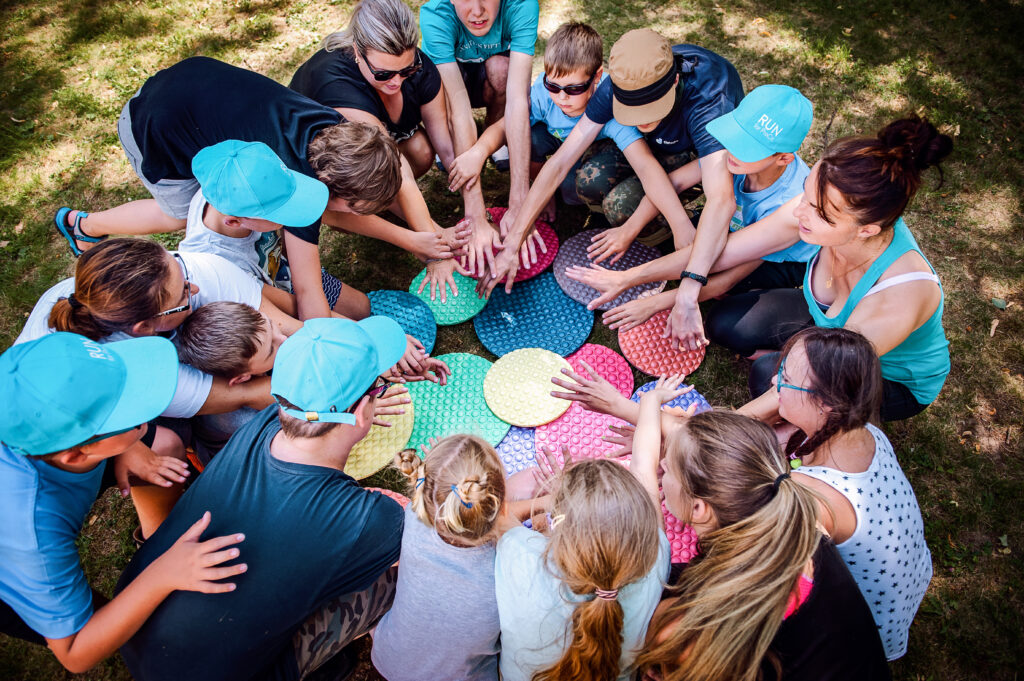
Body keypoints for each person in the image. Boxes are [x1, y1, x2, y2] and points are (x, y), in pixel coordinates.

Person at [117, 316, 407, 681]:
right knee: (399, 572)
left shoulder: (264, 422)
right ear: (364, 410)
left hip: (136, 631)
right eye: (378, 388)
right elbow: (398, 531)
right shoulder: (371, 521)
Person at [51, 56, 426, 320]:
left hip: (199, 87)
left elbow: (331, 215)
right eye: (359, 207)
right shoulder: (291, 185)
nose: (362, 215)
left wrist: (414, 239)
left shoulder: (336, 133)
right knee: (178, 215)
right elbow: (309, 290)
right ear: (329, 189)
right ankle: (84, 226)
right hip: (155, 123)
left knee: (215, 207)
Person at [0, 333, 247, 673]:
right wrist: (160, 577)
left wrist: (129, 445)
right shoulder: (33, 534)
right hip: (11, 564)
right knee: (103, 622)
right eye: (129, 414)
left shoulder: (28, 393)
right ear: (76, 454)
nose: (148, 404)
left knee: (162, 448)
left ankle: (159, 543)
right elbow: (75, 654)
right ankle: (148, 635)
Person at [481, 29, 743, 312]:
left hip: (696, 153)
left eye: (649, 110)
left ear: (675, 82)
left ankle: (677, 231)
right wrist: (512, 245)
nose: (640, 120)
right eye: (633, 112)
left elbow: (721, 198)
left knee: (625, 207)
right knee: (591, 181)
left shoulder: (710, 104)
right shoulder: (614, 87)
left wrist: (684, 234)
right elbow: (559, 164)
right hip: (646, 150)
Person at [630, 407, 891, 681]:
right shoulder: (794, 518)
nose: (662, 469)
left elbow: (656, 596)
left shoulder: (688, 626)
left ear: (698, 509)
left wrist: (644, 471)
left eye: (667, 468)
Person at [728, 116, 953, 421]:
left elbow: (815, 377)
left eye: (818, 212)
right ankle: (788, 359)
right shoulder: (830, 204)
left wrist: (710, 431)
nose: (798, 212)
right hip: (828, 328)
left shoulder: (900, 297)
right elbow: (730, 251)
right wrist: (655, 285)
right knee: (729, 323)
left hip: (887, 376)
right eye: (806, 196)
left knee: (768, 377)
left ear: (867, 231)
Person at [565, 84, 816, 331]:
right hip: (736, 229)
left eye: (747, 148)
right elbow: (673, 183)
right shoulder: (734, 157)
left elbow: (725, 275)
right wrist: (629, 229)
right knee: (696, 251)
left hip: (777, 261)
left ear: (783, 158)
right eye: (735, 137)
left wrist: (650, 300)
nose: (733, 150)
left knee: (719, 284)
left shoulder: (791, 207)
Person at [760, 326, 932, 660]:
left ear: (824, 404)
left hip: (865, 629)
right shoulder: (863, 430)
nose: (773, 382)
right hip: (909, 582)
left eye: (784, 376)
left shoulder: (810, 498)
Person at [290, 0, 473, 302]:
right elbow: (398, 174)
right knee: (373, 186)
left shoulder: (419, 68)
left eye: (407, 69)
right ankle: (366, 212)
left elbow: (447, 149)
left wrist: (473, 215)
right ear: (357, 53)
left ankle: (399, 216)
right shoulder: (337, 85)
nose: (398, 81)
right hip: (320, 168)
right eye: (384, 74)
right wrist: (435, 250)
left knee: (422, 150)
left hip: (374, 151)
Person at [16, 238, 299, 420]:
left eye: (181, 271)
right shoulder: (128, 370)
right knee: (247, 422)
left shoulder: (130, 285)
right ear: (144, 328)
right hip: (67, 417)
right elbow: (247, 394)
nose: (195, 287)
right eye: (183, 296)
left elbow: (290, 324)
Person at [446, 22, 643, 229]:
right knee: (524, 135)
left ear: (597, 76)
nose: (562, 97)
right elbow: (506, 126)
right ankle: (546, 193)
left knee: (572, 190)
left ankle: (589, 207)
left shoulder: (610, 104)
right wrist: (478, 152)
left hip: (595, 150)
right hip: (560, 142)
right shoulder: (543, 95)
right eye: (553, 86)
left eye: (574, 88)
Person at [495, 457, 669, 681]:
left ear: (558, 526)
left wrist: (549, 500)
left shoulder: (524, 557)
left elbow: (500, 518)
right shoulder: (658, 557)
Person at [371, 437, 514, 680]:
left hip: (389, 661)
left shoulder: (415, 519)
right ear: (501, 507)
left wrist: (441, 471)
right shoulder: (506, 569)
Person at [179, 139, 371, 318]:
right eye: (280, 213)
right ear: (235, 222)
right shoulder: (220, 266)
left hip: (281, 273)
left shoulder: (227, 185)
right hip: (263, 310)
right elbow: (285, 310)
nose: (291, 215)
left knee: (361, 308)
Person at [419, 0, 539, 271]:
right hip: (451, 83)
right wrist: (474, 214)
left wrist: (520, 202)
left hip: (491, 78)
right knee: (443, 91)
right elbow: (459, 109)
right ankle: (453, 147)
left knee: (502, 69)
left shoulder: (522, 5)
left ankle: (495, 140)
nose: (477, 11)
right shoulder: (435, 14)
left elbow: (519, 100)